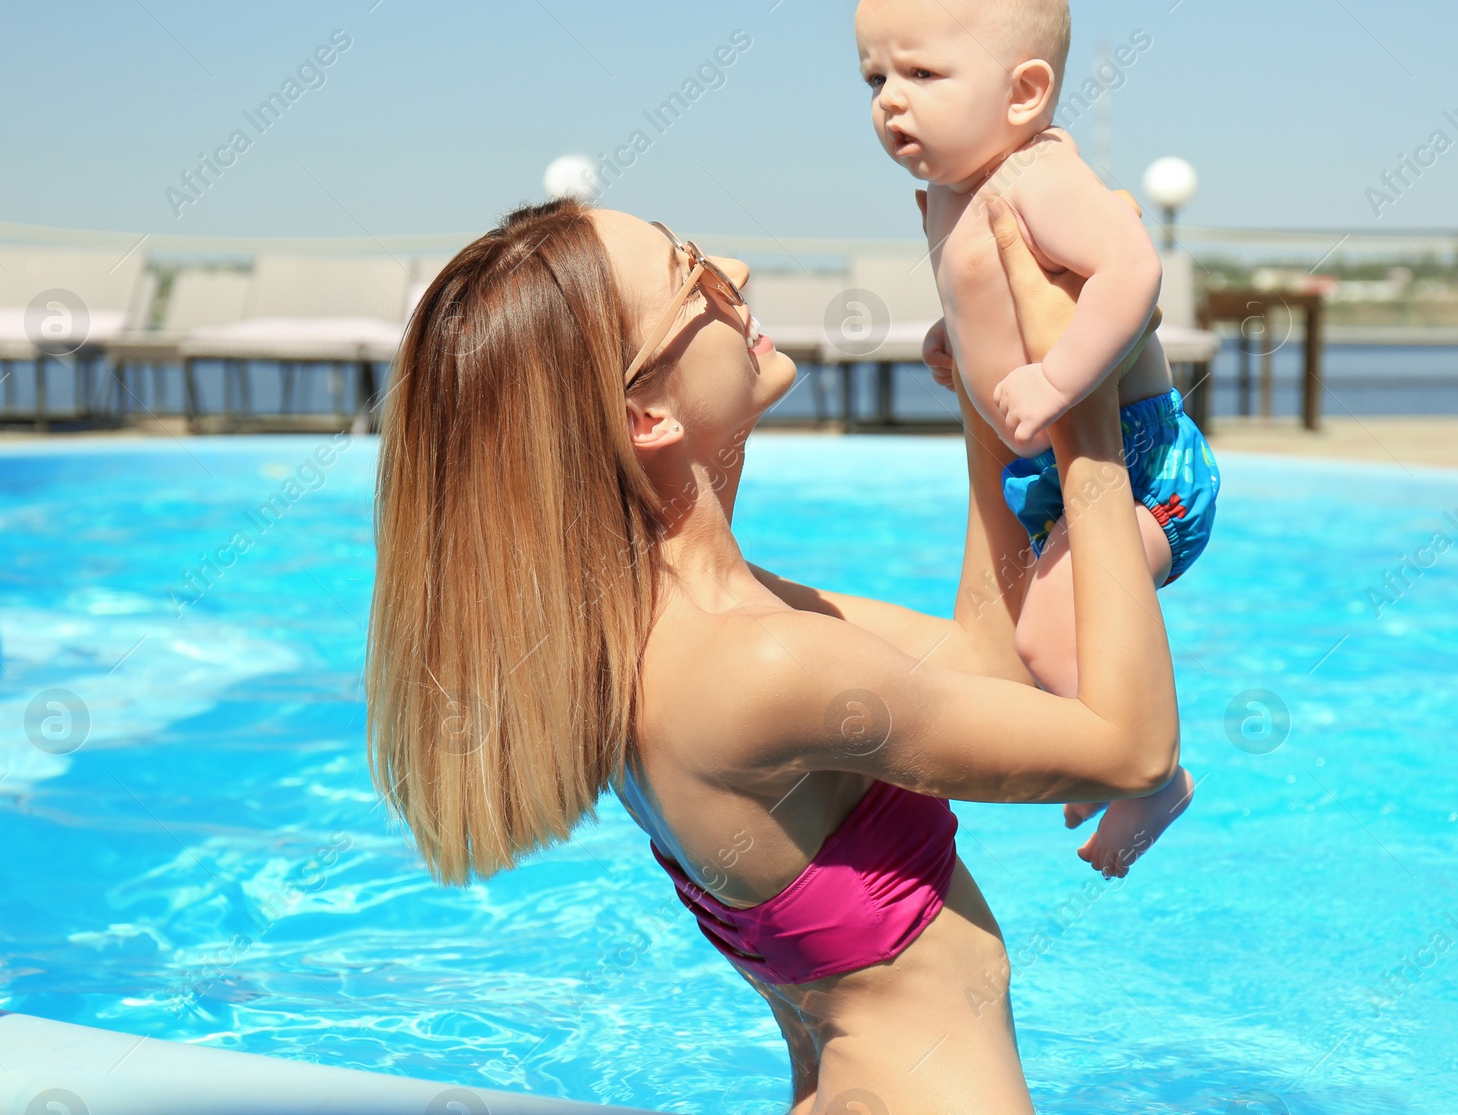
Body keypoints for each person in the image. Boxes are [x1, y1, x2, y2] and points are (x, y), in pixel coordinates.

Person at [365, 194, 1179, 1113]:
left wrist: (998, 405)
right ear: (645, 416)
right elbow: (1131, 750)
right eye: (693, 278)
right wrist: (1087, 425)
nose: (737, 275)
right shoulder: (759, 666)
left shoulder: (675, 630)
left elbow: (985, 667)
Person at [855, 0, 1215, 873]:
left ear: (1023, 93)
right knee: (1021, 645)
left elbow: (1133, 271)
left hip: (1142, 470)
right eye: (874, 79)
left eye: (923, 72)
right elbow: (988, 305)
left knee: (1048, 631)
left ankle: (1152, 774)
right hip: (1052, 472)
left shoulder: (1035, 176)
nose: (891, 100)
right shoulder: (946, 191)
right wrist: (959, 348)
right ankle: (1105, 748)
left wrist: (1059, 381)